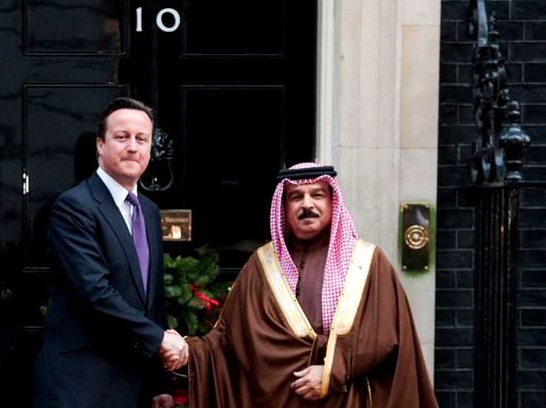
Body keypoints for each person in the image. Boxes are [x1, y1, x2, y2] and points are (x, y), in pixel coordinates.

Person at [180, 162, 439, 407]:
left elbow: (385, 334)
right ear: (284, 208)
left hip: (348, 398)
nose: (307, 204)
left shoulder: (367, 261)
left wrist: (332, 371)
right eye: (296, 197)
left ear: (332, 202)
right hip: (280, 398)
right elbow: (227, 339)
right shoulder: (262, 265)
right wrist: (185, 350)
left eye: (317, 195)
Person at [33, 97, 186, 408]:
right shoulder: (74, 206)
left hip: (134, 384)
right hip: (82, 384)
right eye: (122, 137)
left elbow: (152, 302)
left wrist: (158, 383)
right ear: (100, 145)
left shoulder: (148, 211)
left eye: (141, 139)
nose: (132, 147)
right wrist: (160, 339)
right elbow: (95, 292)